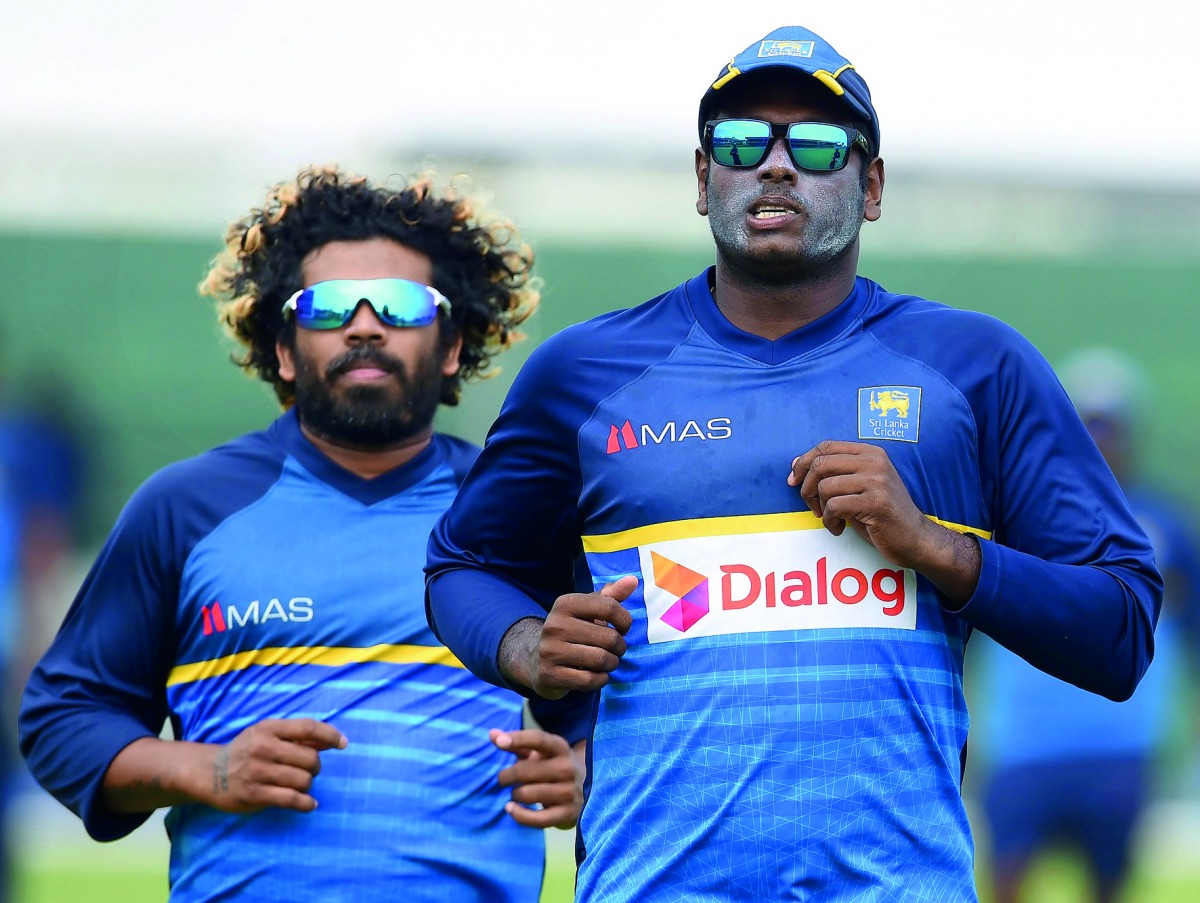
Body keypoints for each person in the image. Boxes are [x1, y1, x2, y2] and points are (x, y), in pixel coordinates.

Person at [424, 25, 1162, 903]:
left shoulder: (978, 367)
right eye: (742, 141)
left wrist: (937, 548)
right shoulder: (585, 374)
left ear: (872, 185)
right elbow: (461, 566)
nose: (776, 165)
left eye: (814, 143)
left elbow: (1120, 628)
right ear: (704, 180)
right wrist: (524, 645)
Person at [19, 165, 590, 902]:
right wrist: (207, 770)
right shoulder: (185, 507)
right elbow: (64, 717)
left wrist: (581, 766)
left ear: (453, 344)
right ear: (284, 349)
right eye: (325, 308)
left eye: (399, 304)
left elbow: (626, 710)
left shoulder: (520, 516)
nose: (363, 324)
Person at [971, 347, 1200, 903]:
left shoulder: (1166, 524)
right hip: (1023, 743)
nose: (1101, 442)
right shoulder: (1008, 513)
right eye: (1087, 426)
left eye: (1111, 427)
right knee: (1005, 882)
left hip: (1121, 744)